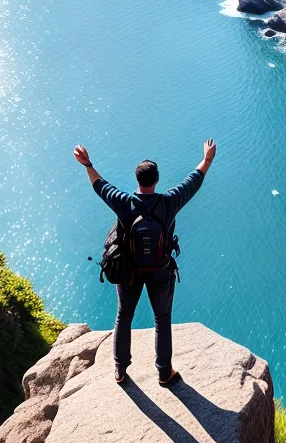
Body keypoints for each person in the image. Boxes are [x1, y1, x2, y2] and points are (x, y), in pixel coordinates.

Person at [73, 139, 217, 385]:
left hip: (129, 271)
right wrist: (207, 159)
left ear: (137, 180)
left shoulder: (123, 202)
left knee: (123, 317)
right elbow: (193, 181)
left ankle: (120, 370)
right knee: (162, 320)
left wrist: (88, 164)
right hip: (160, 270)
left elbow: (100, 185)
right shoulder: (169, 202)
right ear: (157, 180)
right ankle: (164, 372)